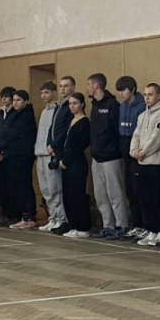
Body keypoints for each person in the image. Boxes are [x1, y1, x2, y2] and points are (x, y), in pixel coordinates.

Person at [86, 73, 130, 239]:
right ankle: (108, 225)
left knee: (115, 193)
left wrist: (112, 149)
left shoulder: (112, 105)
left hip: (111, 157)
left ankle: (121, 225)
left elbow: (116, 131)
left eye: (89, 84)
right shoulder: (94, 106)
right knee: (100, 194)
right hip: (96, 157)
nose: (87, 88)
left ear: (96, 85)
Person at [0, 89, 39, 229]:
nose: (15, 103)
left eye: (18, 100)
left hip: (23, 156)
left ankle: (29, 216)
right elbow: (2, 132)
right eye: (14, 100)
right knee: (15, 187)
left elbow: (13, 134)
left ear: (25, 101)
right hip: (12, 155)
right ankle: (20, 215)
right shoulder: (14, 115)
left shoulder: (26, 115)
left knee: (24, 185)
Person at [132, 82, 160, 246]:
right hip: (142, 163)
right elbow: (136, 136)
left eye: (151, 94)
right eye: (145, 95)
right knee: (145, 198)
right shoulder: (142, 116)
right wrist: (134, 151)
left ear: (159, 95)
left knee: (156, 198)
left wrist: (144, 152)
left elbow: (158, 137)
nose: (147, 98)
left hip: (156, 163)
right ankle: (151, 229)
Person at [116, 76, 147, 239]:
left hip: (138, 152)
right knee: (130, 191)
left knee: (139, 190)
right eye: (119, 91)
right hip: (125, 152)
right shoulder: (122, 106)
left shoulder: (141, 106)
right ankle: (136, 224)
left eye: (124, 90)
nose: (121, 93)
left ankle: (144, 225)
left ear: (133, 89)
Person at [35, 81, 68, 233]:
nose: (44, 95)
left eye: (47, 92)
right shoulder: (44, 112)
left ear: (54, 93)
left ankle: (61, 218)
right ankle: (52, 218)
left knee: (55, 189)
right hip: (40, 154)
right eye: (42, 93)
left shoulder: (57, 110)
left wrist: (54, 148)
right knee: (46, 190)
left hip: (50, 154)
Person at [59, 92, 93, 237]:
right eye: (70, 103)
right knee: (68, 195)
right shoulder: (70, 120)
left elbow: (80, 145)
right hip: (66, 162)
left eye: (75, 103)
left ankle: (82, 227)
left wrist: (66, 160)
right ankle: (72, 224)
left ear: (82, 104)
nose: (72, 106)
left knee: (77, 194)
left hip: (77, 162)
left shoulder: (84, 122)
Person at [0, 86, 16, 224]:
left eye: (7, 97)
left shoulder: (15, 113)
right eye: (2, 97)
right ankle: (4, 213)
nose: (4, 99)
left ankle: (12, 214)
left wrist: (0, 148)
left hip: (10, 153)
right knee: (1, 185)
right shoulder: (1, 113)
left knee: (11, 184)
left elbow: (11, 135)